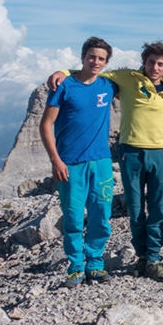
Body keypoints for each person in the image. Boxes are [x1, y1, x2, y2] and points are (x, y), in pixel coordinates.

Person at [49, 40, 163, 283]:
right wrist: (62, 72)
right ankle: (140, 257)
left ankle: (154, 257)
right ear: (144, 62)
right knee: (136, 208)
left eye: (160, 64)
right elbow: (90, 73)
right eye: (151, 62)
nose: (155, 67)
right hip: (130, 151)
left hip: (158, 153)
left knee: (159, 207)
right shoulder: (126, 77)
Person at [40, 37, 118, 289]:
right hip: (70, 163)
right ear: (83, 56)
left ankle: (94, 264)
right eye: (92, 56)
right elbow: (46, 124)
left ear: (107, 62)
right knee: (73, 216)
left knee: (101, 215)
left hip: (101, 161)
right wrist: (55, 159)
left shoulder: (108, 86)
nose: (96, 62)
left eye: (101, 59)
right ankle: (75, 267)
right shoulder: (65, 86)